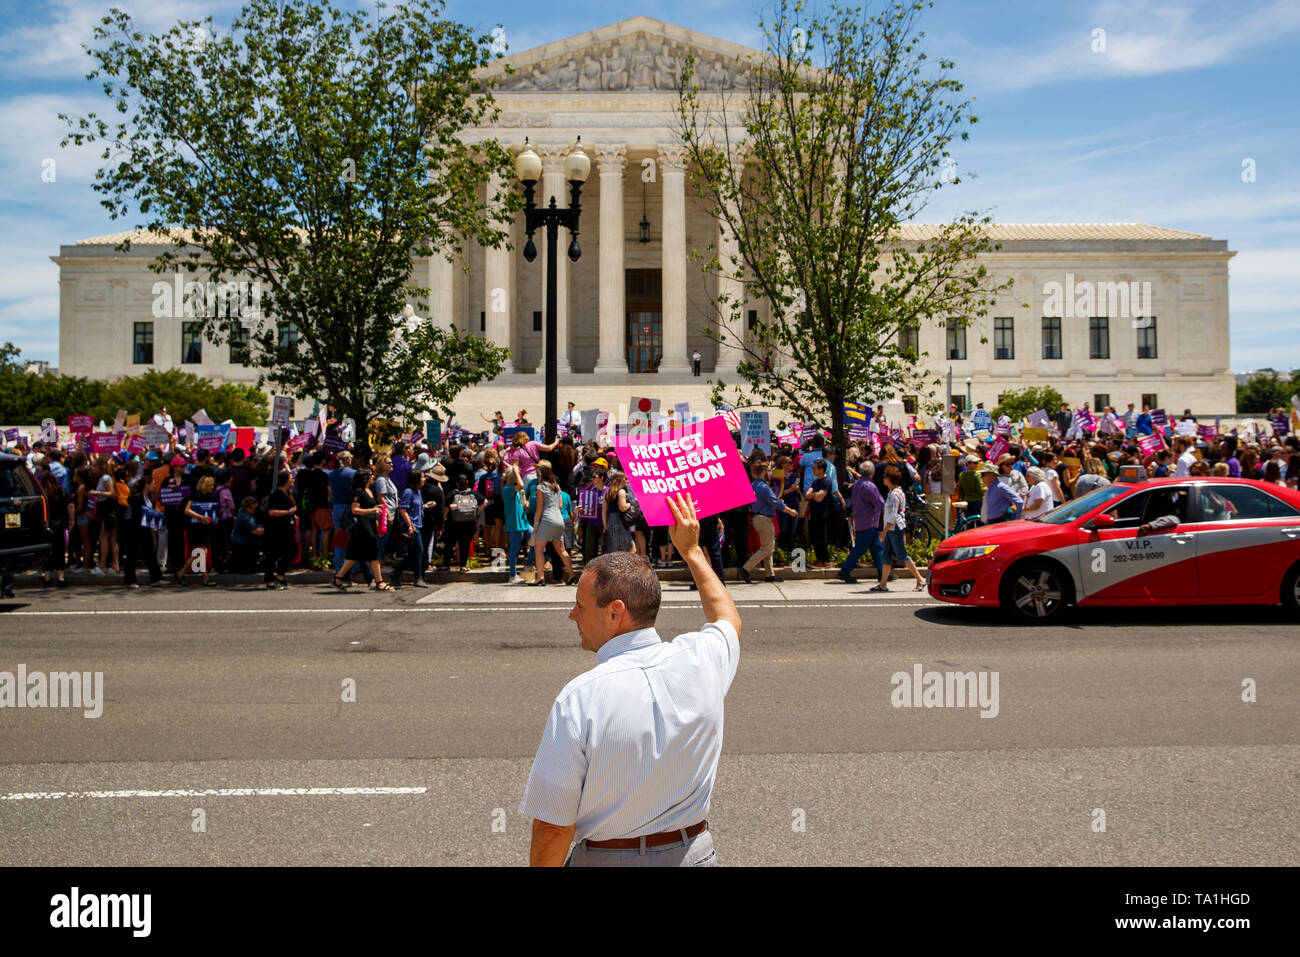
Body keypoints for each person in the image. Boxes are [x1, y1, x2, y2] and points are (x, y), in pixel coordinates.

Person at [519, 494, 740, 867]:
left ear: (615, 613)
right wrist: (692, 551)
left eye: (581, 605)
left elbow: (554, 827)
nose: (572, 615)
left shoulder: (580, 697)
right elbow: (727, 618)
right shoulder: (701, 659)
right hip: (695, 854)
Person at [334, 468, 392, 591]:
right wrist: (373, 510)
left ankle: (338, 578)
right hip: (361, 527)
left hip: (370, 525)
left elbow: (369, 505)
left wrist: (376, 510)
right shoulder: (358, 492)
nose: (373, 477)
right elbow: (355, 510)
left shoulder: (369, 490)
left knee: (353, 556)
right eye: (371, 475)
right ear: (365, 477)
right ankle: (379, 582)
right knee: (374, 553)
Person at [742, 459, 796, 583]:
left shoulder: (754, 485)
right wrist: (790, 511)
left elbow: (766, 502)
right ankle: (746, 568)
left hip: (757, 518)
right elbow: (775, 502)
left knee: (768, 546)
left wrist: (775, 503)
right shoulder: (763, 486)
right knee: (767, 548)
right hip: (764, 519)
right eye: (767, 470)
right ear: (763, 471)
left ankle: (769, 574)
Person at [874, 465, 925, 592]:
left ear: (889, 479)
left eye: (885, 477)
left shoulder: (893, 495)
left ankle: (920, 579)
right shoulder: (897, 492)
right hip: (894, 527)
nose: (883, 479)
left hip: (894, 528)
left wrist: (883, 533)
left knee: (902, 555)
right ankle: (883, 583)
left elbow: (892, 516)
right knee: (886, 556)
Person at [836, 461, 884, 584]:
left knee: (876, 548)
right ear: (872, 473)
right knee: (861, 548)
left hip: (861, 520)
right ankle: (845, 571)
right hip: (869, 520)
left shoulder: (856, 484)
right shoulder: (870, 486)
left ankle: (882, 573)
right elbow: (879, 503)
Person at [529, 462, 575, 586]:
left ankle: (540, 577)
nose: (537, 476)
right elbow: (560, 505)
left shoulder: (540, 487)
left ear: (542, 475)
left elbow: (539, 509)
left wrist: (536, 525)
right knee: (562, 550)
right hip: (559, 519)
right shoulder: (556, 486)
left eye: (538, 474)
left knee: (538, 549)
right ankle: (571, 574)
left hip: (547, 519)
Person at [262, 468, 297, 589]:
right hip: (276, 529)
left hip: (286, 528)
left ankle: (280, 575)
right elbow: (271, 512)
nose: (293, 479)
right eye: (291, 478)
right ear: (286, 480)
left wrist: (293, 514)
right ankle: (269, 581)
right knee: (273, 554)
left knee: (292, 551)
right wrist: (288, 512)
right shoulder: (277, 494)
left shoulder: (288, 493)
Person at [394, 470, 429, 588]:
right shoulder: (408, 492)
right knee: (419, 551)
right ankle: (417, 577)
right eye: (422, 477)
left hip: (418, 524)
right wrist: (410, 525)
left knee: (415, 552)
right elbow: (403, 509)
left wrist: (427, 506)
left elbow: (418, 506)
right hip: (412, 526)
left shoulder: (418, 492)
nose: (424, 479)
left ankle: (397, 572)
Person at [442, 473, 483, 573]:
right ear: (467, 482)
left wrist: (443, 521)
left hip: (453, 524)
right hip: (469, 524)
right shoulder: (473, 493)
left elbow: (446, 509)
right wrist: (477, 513)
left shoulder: (452, 494)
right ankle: (463, 566)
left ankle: (445, 565)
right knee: (465, 544)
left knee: (449, 544)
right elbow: (484, 501)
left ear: (457, 483)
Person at [502, 464, 532, 584]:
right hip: (515, 523)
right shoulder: (507, 488)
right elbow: (521, 484)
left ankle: (528, 564)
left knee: (537, 540)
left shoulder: (518, 490)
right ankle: (512, 575)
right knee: (514, 551)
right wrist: (516, 471)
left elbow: (522, 500)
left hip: (523, 522)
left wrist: (526, 504)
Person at [803, 458, 833, 567]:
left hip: (822, 513)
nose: (812, 470)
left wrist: (813, 495)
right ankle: (818, 559)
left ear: (821, 469)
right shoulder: (815, 481)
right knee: (814, 536)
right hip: (814, 512)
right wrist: (814, 494)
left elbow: (820, 497)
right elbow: (807, 495)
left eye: (814, 468)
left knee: (821, 537)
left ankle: (823, 559)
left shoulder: (826, 481)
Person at [601, 473, 636, 555]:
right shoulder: (621, 491)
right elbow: (622, 507)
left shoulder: (607, 492)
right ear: (620, 480)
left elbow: (604, 511)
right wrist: (630, 504)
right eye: (625, 478)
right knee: (631, 549)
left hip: (610, 521)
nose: (627, 481)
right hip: (620, 521)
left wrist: (605, 526)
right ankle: (626, 567)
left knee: (614, 550)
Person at [229, 496, 265, 574]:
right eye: (254, 508)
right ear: (247, 507)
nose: (255, 510)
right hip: (243, 546)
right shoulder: (245, 516)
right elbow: (256, 531)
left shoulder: (243, 513)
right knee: (247, 570)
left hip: (245, 544)